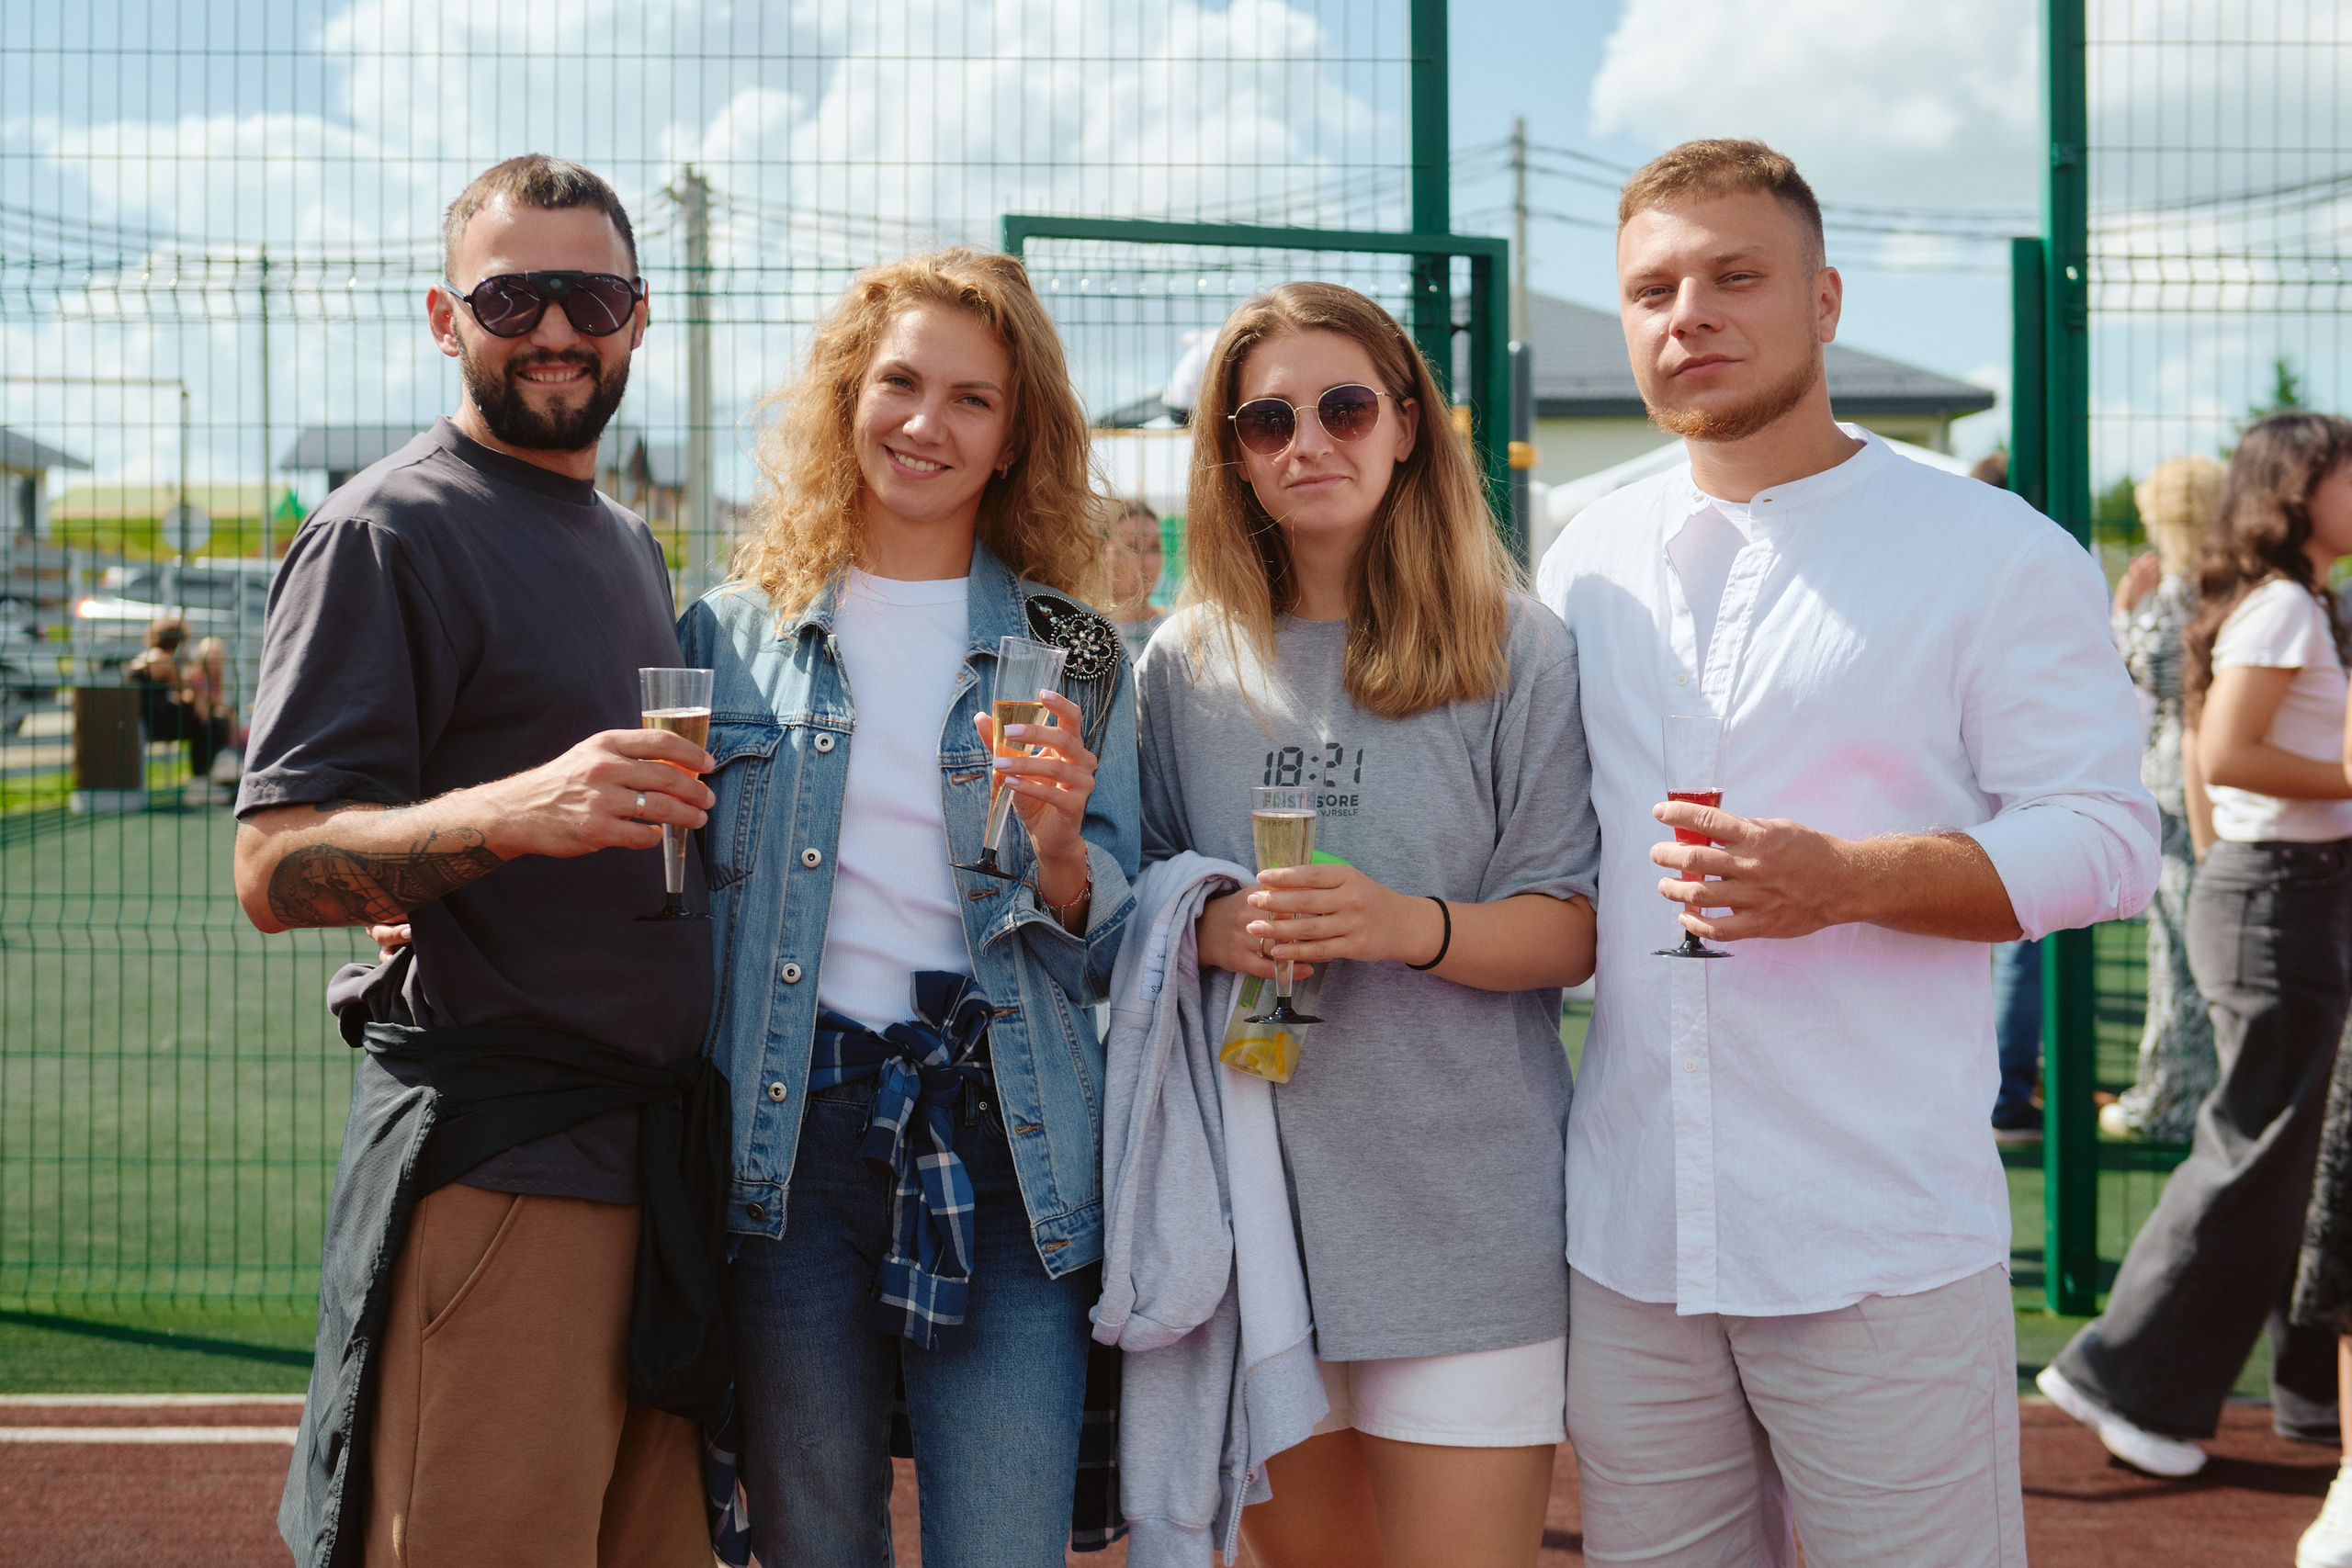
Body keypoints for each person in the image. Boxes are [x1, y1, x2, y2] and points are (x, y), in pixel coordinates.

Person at [1536, 139, 2157, 1566]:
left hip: (1875, 1236)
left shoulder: (1993, 550)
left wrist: (1851, 880)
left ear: (1823, 300)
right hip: (1631, 1234)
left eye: (1733, 276)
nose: (1688, 313)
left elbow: (2110, 835)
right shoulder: (1586, 554)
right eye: (1651, 289)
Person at [233, 154, 718, 1566]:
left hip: (655, 1167)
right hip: (509, 1169)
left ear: (638, 318)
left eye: (592, 297)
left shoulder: (625, 538)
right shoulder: (384, 528)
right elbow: (273, 864)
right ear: (446, 318)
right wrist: (513, 810)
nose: (556, 329)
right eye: (512, 297)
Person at [678, 247, 1138, 1568]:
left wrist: (1060, 849)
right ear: (847, 398)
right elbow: (655, 882)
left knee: (1001, 1545)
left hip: (1006, 1141)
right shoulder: (728, 634)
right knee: (815, 1545)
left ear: (1015, 436)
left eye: (972, 399)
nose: (926, 423)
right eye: (899, 383)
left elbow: (1111, 938)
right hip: (787, 1146)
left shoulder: (1079, 646)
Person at [1137, 280, 1600, 1568]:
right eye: (1266, 420)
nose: (1308, 443)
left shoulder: (1516, 646)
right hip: (1250, 1223)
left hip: (1466, 1212)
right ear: (1232, 455)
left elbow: (1572, 929)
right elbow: (1138, 910)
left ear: (1407, 426)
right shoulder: (1183, 662)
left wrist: (1405, 924)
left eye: (1343, 408)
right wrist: (1212, 929)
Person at [2042, 412, 2352, 1476]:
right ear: (2296, 492)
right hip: (2282, 894)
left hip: (2281, 889)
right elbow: (2223, 755)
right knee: (2254, 1146)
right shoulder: (2285, 610)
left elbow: (2200, 765)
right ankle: (2120, 1380)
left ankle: (2304, 1391)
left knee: (2294, 1151)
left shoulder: (2296, 603)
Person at [2104, 455, 2225, 1143]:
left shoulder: (2180, 588)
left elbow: (2145, 667)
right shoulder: (2234, 579)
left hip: (2178, 784)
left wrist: (2123, 610)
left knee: (2176, 945)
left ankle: (2170, 1098)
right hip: (2214, 784)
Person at [1972, 453, 2050, 1145]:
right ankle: (2006, 1090)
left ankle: (2004, 1086)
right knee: (2021, 947)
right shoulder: (2019, 557)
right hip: (2010, 802)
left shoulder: (1970, 559)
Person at [1105, 497, 1169, 660]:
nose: (1146, 562)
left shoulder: (1176, 629)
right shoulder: (1087, 629)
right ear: (1103, 555)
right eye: (1131, 547)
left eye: (1154, 547)